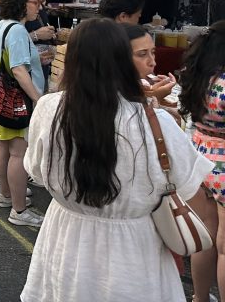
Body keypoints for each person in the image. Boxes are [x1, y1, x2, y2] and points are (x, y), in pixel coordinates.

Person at [21, 19, 212, 302]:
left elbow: (36, 171)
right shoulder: (154, 122)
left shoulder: (49, 108)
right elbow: (189, 187)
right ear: (122, 61)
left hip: (66, 236)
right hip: (134, 248)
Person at [0, 0, 46, 227]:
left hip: (0, 98)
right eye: (35, 2)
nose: (39, 7)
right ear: (22, 4)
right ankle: (20, 210)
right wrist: (37, 98)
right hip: (17, 101)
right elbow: (19, 70)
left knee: (3, 146)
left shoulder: (2, 25)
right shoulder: (19, 31)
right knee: (18, 154)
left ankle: (6, 194)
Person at [178, 21, 225, 302]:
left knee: (205, 238)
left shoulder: (196, 75)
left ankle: (199, 297)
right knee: (224, 247)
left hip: (197, 157)